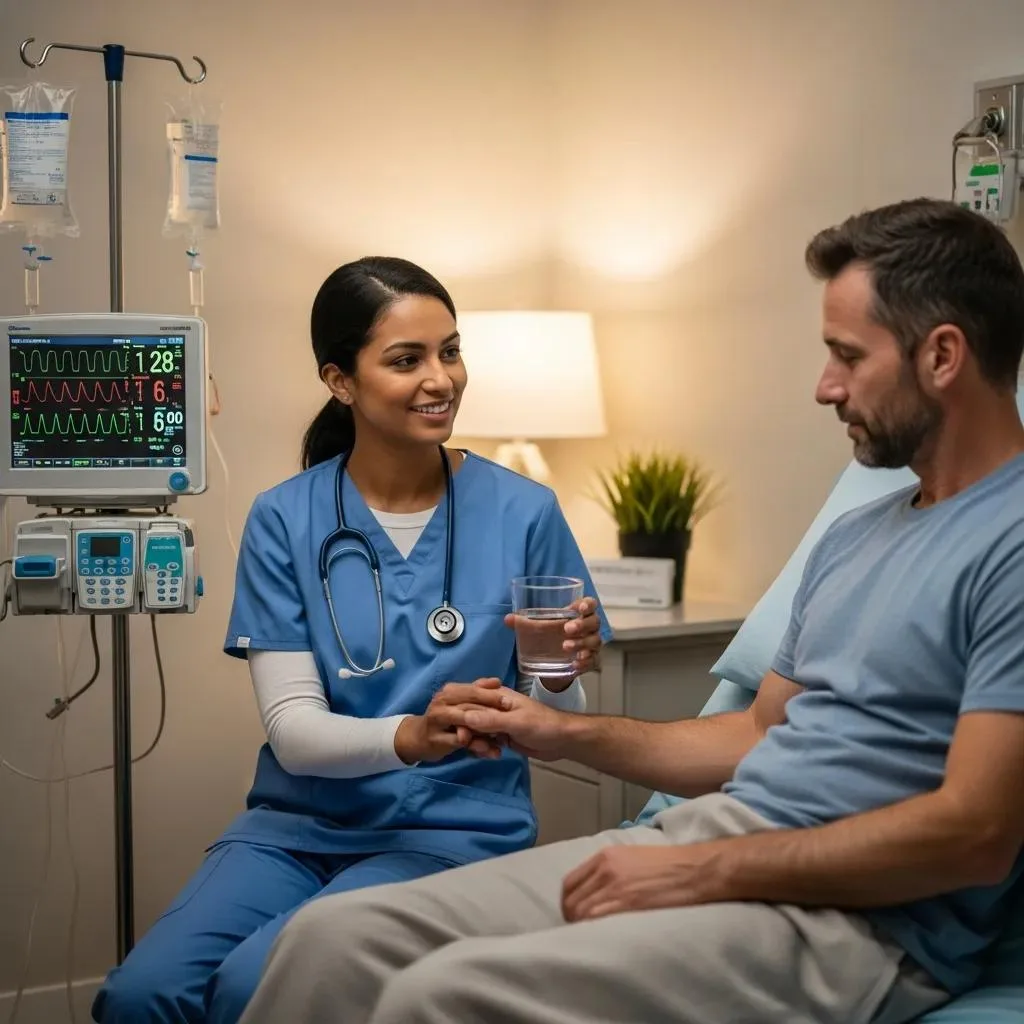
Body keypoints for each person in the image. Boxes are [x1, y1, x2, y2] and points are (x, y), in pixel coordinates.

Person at [236, 198, 1024, 1024]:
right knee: (336, 939)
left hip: (855, 917)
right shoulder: (857, 535)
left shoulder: (1006, 540)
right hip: (724, 835)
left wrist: (704, 872)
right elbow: (757, 735)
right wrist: (553, 727)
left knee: (442, 996)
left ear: (941, 356)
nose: (824, 386)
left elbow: (975, 832)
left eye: (846, 356)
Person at [91, 256, 610, 1024]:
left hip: (453, 830)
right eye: (407, 360)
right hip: (293, 828)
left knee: (252, 986)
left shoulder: (523, 512)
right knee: (140, 996)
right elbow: (295, 735)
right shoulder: (285, 517)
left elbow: (548, 712)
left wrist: (563, 671)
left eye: (451, 350)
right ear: (341, 381)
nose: (442, 379)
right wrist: (413, 734)